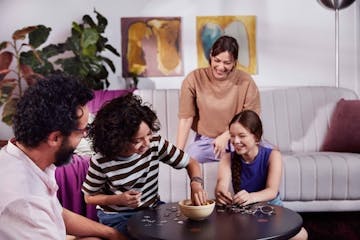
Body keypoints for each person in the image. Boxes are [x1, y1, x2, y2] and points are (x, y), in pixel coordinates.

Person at [0, 74, 126, 240]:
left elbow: (54, 212)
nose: (85, 135)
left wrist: (110, 233)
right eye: (82, 131)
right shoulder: (25, 202)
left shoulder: (22, 157)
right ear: (55, 138)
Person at [82, 93, 208, 237]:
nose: (147, 143)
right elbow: (89, 197)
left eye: (149, 134)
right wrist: (119, 199)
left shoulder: (155, 143)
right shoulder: (101, 160)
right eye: (137, 141)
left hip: (152, 209)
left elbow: (191, 163)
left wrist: (196, 184)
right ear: (117, 140)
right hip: (117, 216)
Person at [215, 110, 308, 240]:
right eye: (232, 135)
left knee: (301, 235)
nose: (235, 141)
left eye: (242, 135)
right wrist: (220, 194)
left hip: (271, 209)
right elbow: (221, 184)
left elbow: (272, 191)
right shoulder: (227, 158)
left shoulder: (273, 155)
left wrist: (251, 197)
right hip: (243, 213)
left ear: (256, 137)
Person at [176, 35, 260, 163]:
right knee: (192, 156)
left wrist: (227, 136)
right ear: (211, 55)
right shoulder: (194, 79)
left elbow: (251, 120)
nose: (221, 67)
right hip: (206, 142)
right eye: (217, 60)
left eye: (227, 63)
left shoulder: (246, 81)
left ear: (235, 63)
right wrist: (176, 155)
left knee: (261, 156)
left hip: (238, 138)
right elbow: (186, 118)